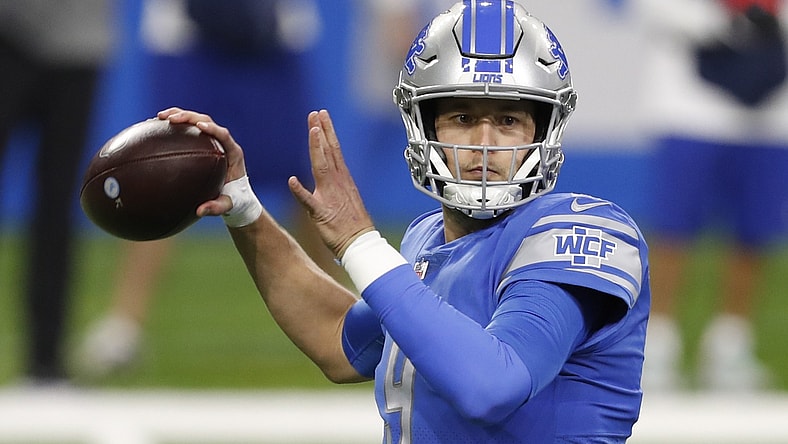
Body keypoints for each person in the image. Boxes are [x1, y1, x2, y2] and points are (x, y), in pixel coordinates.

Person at [164, 1, 650, 441]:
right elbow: (339, 339)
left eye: (508, 120)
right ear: (423, 124)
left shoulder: (584, 231)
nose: (484, 143)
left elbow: (493, 385)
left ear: (543, 130)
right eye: (462, 117)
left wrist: (359, 243)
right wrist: (245, 208)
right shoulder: (426, 239)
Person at [75, 0, 337, 379]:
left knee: (301, 174)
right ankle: (125, 321)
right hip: (185, 32)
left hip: (274, 30)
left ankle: (342, 309)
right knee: (157, 172)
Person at [633, 0, 788, 391]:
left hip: (770, 110)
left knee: (754, 232)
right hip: (690, 106)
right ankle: (657, 345)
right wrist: (729, 27)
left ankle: (730, 345)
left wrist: (769, 24)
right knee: (674, 228)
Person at [0, 0, 115, 384]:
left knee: (57, 208)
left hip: (78, 46)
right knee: (55, 207)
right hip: (9, 35)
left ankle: (45, 360)